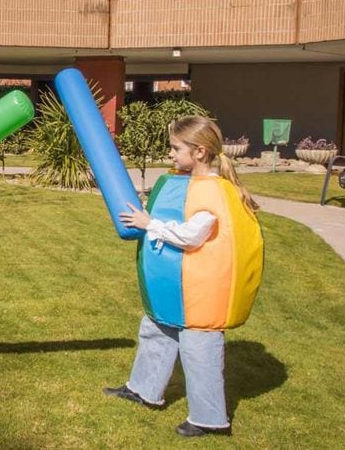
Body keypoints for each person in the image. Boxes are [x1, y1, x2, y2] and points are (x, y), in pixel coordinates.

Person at [107, 116, 263, 438]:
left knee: (198, 348)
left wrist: (148, 224)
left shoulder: (213, 194)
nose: (171, 154)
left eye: (177, 148)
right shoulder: (187, 183)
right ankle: (144, 389)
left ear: (201, 152)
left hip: (201, 290)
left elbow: (191, 236)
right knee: (156, 329)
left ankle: (210, 419)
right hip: (172, 285)